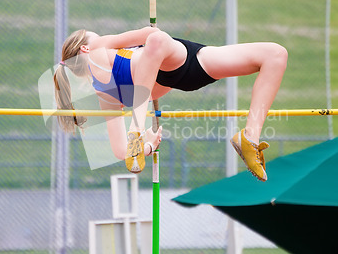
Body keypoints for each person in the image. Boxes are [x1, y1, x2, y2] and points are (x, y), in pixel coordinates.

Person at [53, 27, 287, 181]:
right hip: (185, 66)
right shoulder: (97, 49)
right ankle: (136, 128)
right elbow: (148, 32)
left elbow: (120, 152)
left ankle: (249, 139)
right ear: (85, 47)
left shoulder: (105, 94)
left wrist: (149, 146)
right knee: (276, 54)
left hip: (175, 65)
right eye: (95, 36)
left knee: (275, 55)